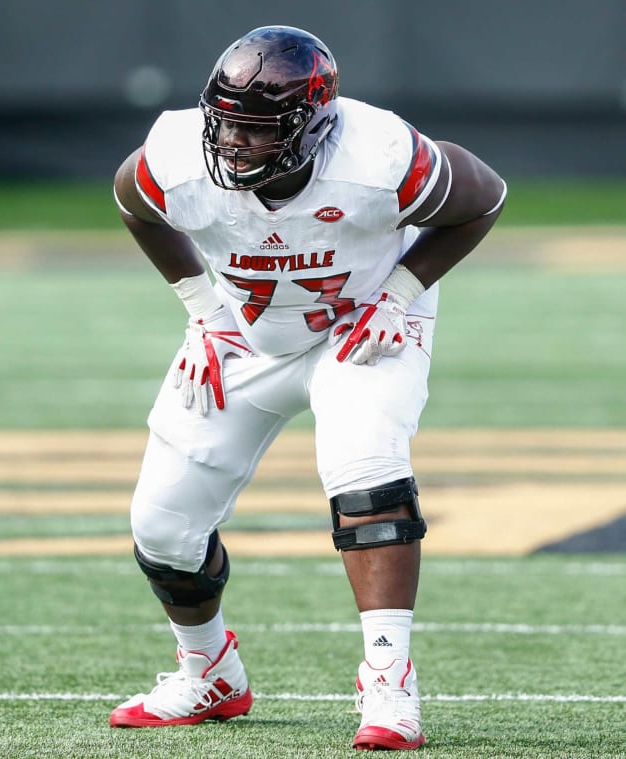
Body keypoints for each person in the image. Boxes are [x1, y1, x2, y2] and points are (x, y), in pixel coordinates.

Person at [108, 25, 506, 751]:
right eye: (225, 124)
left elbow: (484, 196)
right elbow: (132, 200)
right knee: (162, 525)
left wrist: (403, 290)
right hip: (243, 330)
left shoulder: (379, 156)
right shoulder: (175, 155)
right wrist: (201, 309)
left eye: (258, 131)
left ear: (315, 128)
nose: (233, 144)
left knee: (365, 469)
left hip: (363, 322)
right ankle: (210, 671)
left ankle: (388, 681)